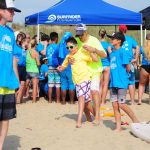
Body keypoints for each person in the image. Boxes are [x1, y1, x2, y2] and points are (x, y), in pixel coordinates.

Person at [57, 37, 98, 127]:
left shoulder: (81, 53)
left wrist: (91, 51)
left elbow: (95, 60)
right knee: (86, 103)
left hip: (85, 79)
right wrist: (60, 68)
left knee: (81, 98)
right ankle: (93, 117)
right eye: (67, 48)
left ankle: (79, 121)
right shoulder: (68, 56)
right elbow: (63, 66)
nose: (69, 49)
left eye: (71, 47)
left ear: (76, 46)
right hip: (77, 81)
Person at [75, 24, 106, 125]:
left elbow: (104, 55)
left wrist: (94, 50)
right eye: (78, 34)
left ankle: (97, 116)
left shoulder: (94, 40)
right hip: (83, 71)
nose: (80, 37)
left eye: (81, 34)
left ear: (86, 32)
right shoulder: (78, 41)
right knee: (83, 96)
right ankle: (90, 117)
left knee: (94, 91)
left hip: (95, 70)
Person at [0, 0, 21, 149]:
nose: (13, 13)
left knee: (5, 118)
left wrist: (17, 80)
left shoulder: (10, 33)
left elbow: (13, 58)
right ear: (1, 10)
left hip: (8, 82)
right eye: (10, 10)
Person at [108, 32, 139, 131]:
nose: (111, 40)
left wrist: (123, 76)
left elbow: (128, 68)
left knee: (121, 104)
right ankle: (118, 127)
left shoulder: (123, 52)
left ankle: (135, 119)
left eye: (113, 38)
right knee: (114, 105)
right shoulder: (112, 53)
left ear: (119, 41)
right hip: (113, 83)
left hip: (121, 83)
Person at [119, 25, 139, 105]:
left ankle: (121, 100)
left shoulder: (117, 39)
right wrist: (136, 58)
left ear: (119, 30)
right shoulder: (130, 39)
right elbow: (137, 47)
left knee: (122, 82)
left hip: (121, 64)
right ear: (126, 30)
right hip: (130, 62)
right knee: (131, 83)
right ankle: (132, 101)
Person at [53, 32, 75, 104]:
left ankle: (63, 102)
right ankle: (71, 101)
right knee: (71, 85)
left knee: (63, 85)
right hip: (70, 68)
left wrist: (57, 65)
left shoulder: (60, 46)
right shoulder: (71, 46)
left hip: (62, 68)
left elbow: (54, 56)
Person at [46, 32, 60, 103]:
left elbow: (47, 56)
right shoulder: (57, 47)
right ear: (56, 38)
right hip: (57, 66)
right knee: (58, 84)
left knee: (50, 84)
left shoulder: (48, 47)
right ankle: (57, 100)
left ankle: (50, 100)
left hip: (50, 66)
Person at [16, 36, 29, 104]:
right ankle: (14, 98)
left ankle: (18, 100)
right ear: (23, 42)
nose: (28, 43)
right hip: (18, 67)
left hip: (24, 67)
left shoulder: (27, 50)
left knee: (23, 84)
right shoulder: (18, 48)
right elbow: (13, 55)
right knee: (16, 84)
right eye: (27, 42)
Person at [99, 29, 110, 105]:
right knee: (105, 85)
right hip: (107, 66)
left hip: (99, 65)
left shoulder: (97, 44)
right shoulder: (108, 45)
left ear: (99, 35)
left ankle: (99, 101)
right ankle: (103, 101)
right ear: (105, 35)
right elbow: (111, 55)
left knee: (100, 85)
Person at [138, 34, 150, 105]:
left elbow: (137, 55)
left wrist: (138, 63)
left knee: (141, 84)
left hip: (144, 66)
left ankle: (139, 100)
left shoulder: (142, 48)